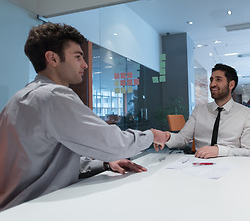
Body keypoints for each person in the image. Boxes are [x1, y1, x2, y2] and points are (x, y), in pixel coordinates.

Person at [0, 23, 168, 211]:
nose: (85, 64)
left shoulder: (18, 100)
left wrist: (105, 163)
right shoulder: (53, 96)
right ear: (53, 58)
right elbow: (114, 144)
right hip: (30, 210)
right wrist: (152, 135)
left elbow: (45, 162)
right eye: (78, 57)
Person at [163, 63, 250, 159]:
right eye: (211, 80)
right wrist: (166, 137)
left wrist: (219, 151)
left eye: (218, 80)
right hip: (199, 165)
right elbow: (183, 139)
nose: (212, 84)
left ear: (231, 85)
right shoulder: (199, 110)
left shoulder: (247, 114)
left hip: (231, 166)